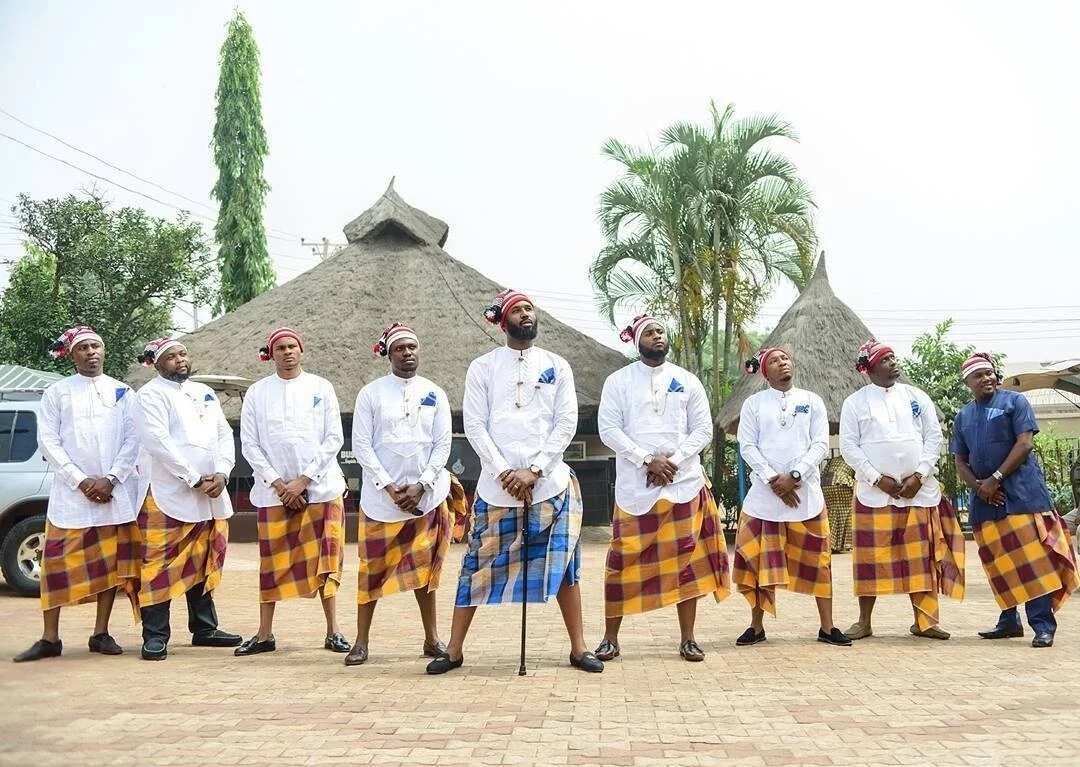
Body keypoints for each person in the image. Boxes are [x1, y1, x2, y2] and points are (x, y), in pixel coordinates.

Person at [426, 290, 603, 674]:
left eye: (530, 308)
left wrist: (535, 469)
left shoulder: (558, 364)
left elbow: (566, 422)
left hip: (551, 484)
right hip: (497, 487)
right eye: (518, 310)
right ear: (502, 321)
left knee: (565, 565)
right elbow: (474, 424)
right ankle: (454, 650)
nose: (526, 314)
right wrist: (504, 471)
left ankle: (579, 647)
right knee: (475, 565)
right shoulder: (483, 368)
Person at [593, 315, 730, 662]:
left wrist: (674, 461)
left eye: (661, 332)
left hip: (683, 484)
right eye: (650, 333)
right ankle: (610, 638)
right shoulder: (618, 381)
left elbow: (702, 429)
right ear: (636, 341)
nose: (657, 337)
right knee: (621, 560)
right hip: (636, 488)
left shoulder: (687, 381)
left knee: (688, 562)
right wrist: (646, 460)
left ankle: (688, 639)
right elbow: (608, 429)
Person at [13, 327, 140, 662]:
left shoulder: (123, 391)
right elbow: (48, 442)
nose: (91, 352)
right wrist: (81, 481)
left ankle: (100, 633)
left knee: (110, 567)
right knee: (54, 564)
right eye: (83, 348)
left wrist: (111, 479)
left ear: (104, 350)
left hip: (112, 494)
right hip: (72, 498)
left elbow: (133, 440)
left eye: (96, 346)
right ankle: (50, 638)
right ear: (72, 355)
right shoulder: (57, 392)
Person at [839, 339, 965, 640]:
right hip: (875, 494)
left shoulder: (916, 396)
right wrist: (875, 478)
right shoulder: (854, 402)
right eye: (885, 359)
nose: (894, 362)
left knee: (921, 557)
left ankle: (925, 622)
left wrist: (919, 476)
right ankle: (864, 622)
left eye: (894, 357)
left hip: (917, 492)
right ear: (869, 368)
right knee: (870, 560)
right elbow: (848, 446)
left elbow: (934, 438)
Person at [235, 327, 349, 657]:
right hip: (274, 493)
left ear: (302, 350)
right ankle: (264, 633)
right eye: (280, 347)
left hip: (322, 489)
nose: (287, 352)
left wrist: (304, 480)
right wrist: (280, 484)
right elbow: (251, 444)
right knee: (271, 562)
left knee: (326, 561)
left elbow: (333, 439)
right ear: (270, 354)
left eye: (292, 346)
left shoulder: (321, 387)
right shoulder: (257, 392)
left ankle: (333, 630)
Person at [952, 352, 1079, 648]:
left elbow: (1024, 444)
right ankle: (1009, 621)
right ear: (968, 383)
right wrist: (980, 487)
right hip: (985, 502)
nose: (986, 378)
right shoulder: (963, 416)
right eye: (978, 375)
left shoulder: (1015, 402)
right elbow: (960, 460)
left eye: (989, 373)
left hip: (1022, 495)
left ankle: (1043, 626)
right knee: (998, 562)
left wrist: (994, 478)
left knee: (1031, 563)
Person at [346, 323, 453, 666]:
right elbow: (361, 444)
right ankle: (361, 642)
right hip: (382, 502)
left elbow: (442, 444)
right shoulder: (371, 393)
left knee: (425, 573)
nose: (407, 353)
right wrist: (389, 487)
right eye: (400, 349)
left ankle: (432, 639)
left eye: (412, 347)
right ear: (388, 355)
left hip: (425, 498)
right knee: (371, 571)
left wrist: (422, 484)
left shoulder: (434, 392)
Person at [732, 347, 851, 647]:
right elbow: (747, 446)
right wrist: (773, 479)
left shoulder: (812, 401)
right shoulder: (753, 404)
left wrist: (795, 475)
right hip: (765, 498)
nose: (782, 363)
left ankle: (828, 627)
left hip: (805, 496)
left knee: (820, 562)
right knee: (759, 564)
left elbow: (820, 444)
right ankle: (756, 627)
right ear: (765, 371)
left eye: (785, 358)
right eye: (774, 360)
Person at [131, 337, 241, 660]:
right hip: (168, 493)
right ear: (155, 363)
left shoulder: (204, 392)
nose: (180, 360)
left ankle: (204, 628)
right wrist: (193, 477)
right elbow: (157, 442)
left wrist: (221, 472)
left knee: (203, 558)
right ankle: (154, 636)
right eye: (171, 356)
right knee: (158, 564)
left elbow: (223, 434)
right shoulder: (149, 396)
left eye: (183, 354)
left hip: (210, 492)